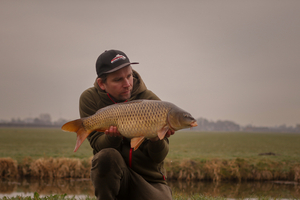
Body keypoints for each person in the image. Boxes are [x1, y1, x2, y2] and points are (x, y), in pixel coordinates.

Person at [79, 49, 174, 200]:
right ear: (102, 83)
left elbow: (159, 157)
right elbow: (97, 145)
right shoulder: (90, 99)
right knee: (105, 157)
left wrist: (156, 139)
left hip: (149, 181)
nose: (127, 84)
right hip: (117, 175)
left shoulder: (151, 101)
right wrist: (113, 137)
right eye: (118, 80)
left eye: (129, 76)